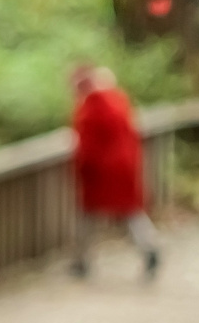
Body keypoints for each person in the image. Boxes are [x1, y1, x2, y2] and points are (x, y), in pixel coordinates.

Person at [69, 66, 161, 281]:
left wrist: (81, 172)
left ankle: (81, 260)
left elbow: (87, 148)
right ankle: (150, 248)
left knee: (88, 216)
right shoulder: (119, 101)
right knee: (131, 211)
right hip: (125, 168)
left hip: (101, 173)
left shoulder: (90, 110)